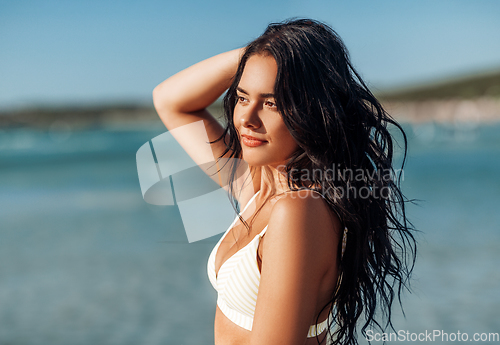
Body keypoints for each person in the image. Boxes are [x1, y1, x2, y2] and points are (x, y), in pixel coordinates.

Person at [152, 18, 416, 345]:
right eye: (243, 97)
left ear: (313, 111)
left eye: (271, 103)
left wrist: (285, 58)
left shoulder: (299, 212)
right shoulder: (258, 186)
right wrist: (261, 52)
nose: (246, 120)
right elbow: (170, 100)